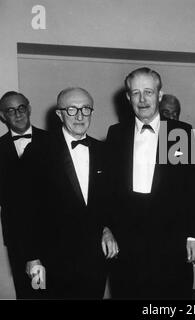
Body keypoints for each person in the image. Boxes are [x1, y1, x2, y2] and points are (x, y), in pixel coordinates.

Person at [105, 67, 195, 300]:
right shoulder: (116, 134)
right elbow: (108, 190)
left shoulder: (182, 133)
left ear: (159, 95)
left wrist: (193, 235)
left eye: (148, 92)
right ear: (128, 97)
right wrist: (107, 228)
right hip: (128, 241)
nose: (142, 99)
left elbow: (191, 188)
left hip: (172, 239)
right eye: (135, 93)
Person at [26, 87, 118, 299]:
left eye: (85, 109)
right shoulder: (38, 151)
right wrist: (32, 257)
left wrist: (107, 228)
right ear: (59, 114)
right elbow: (26, 209)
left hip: (95, 258)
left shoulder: (103, 151)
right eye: (71, 109)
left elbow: (109, 201)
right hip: (51, 259)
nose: (79, 116)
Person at [0, 91, 49, 299]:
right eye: (11, 111)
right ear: (3, 116)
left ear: (28, 109)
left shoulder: (53, 141)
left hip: (54, 235)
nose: (18, 114)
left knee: (57, 291)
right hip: (19, 240)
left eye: (21, 108)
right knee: (30, 293)